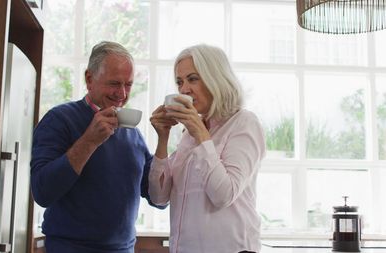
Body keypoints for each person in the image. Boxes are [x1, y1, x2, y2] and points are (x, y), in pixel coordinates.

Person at [30, 41, 163, 253]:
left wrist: (165, 139)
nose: (122, 93)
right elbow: (42, 192)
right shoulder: (59, 119)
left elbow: (158, 198)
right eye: (114, 83)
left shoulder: (132, 133)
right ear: (89, 79)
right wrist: (89, 141)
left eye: (128, 84)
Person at [148, 44, 266, 253]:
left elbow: (223, 194)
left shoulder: (244, 123)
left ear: (215, 78)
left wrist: (200, 134)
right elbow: (158, 197)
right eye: (179, 82)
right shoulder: (189, 135)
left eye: (193, 79)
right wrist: (163, 138)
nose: (184, 89)